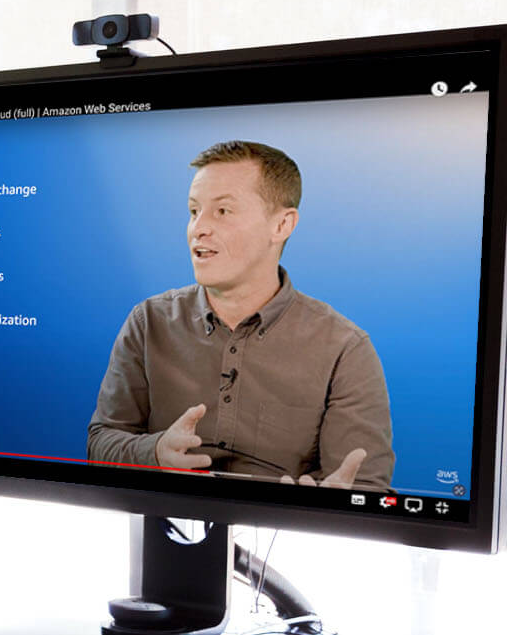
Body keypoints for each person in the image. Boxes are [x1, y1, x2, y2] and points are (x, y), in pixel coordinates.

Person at [86, 140, 394, 490]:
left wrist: (334, 506)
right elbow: (101, 443)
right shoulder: (148, 322)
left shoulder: (344, 348)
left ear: (282, 225)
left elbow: (366, 485)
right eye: (193, 211)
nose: (198, 228)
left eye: (222, 212)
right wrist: (155, 452)